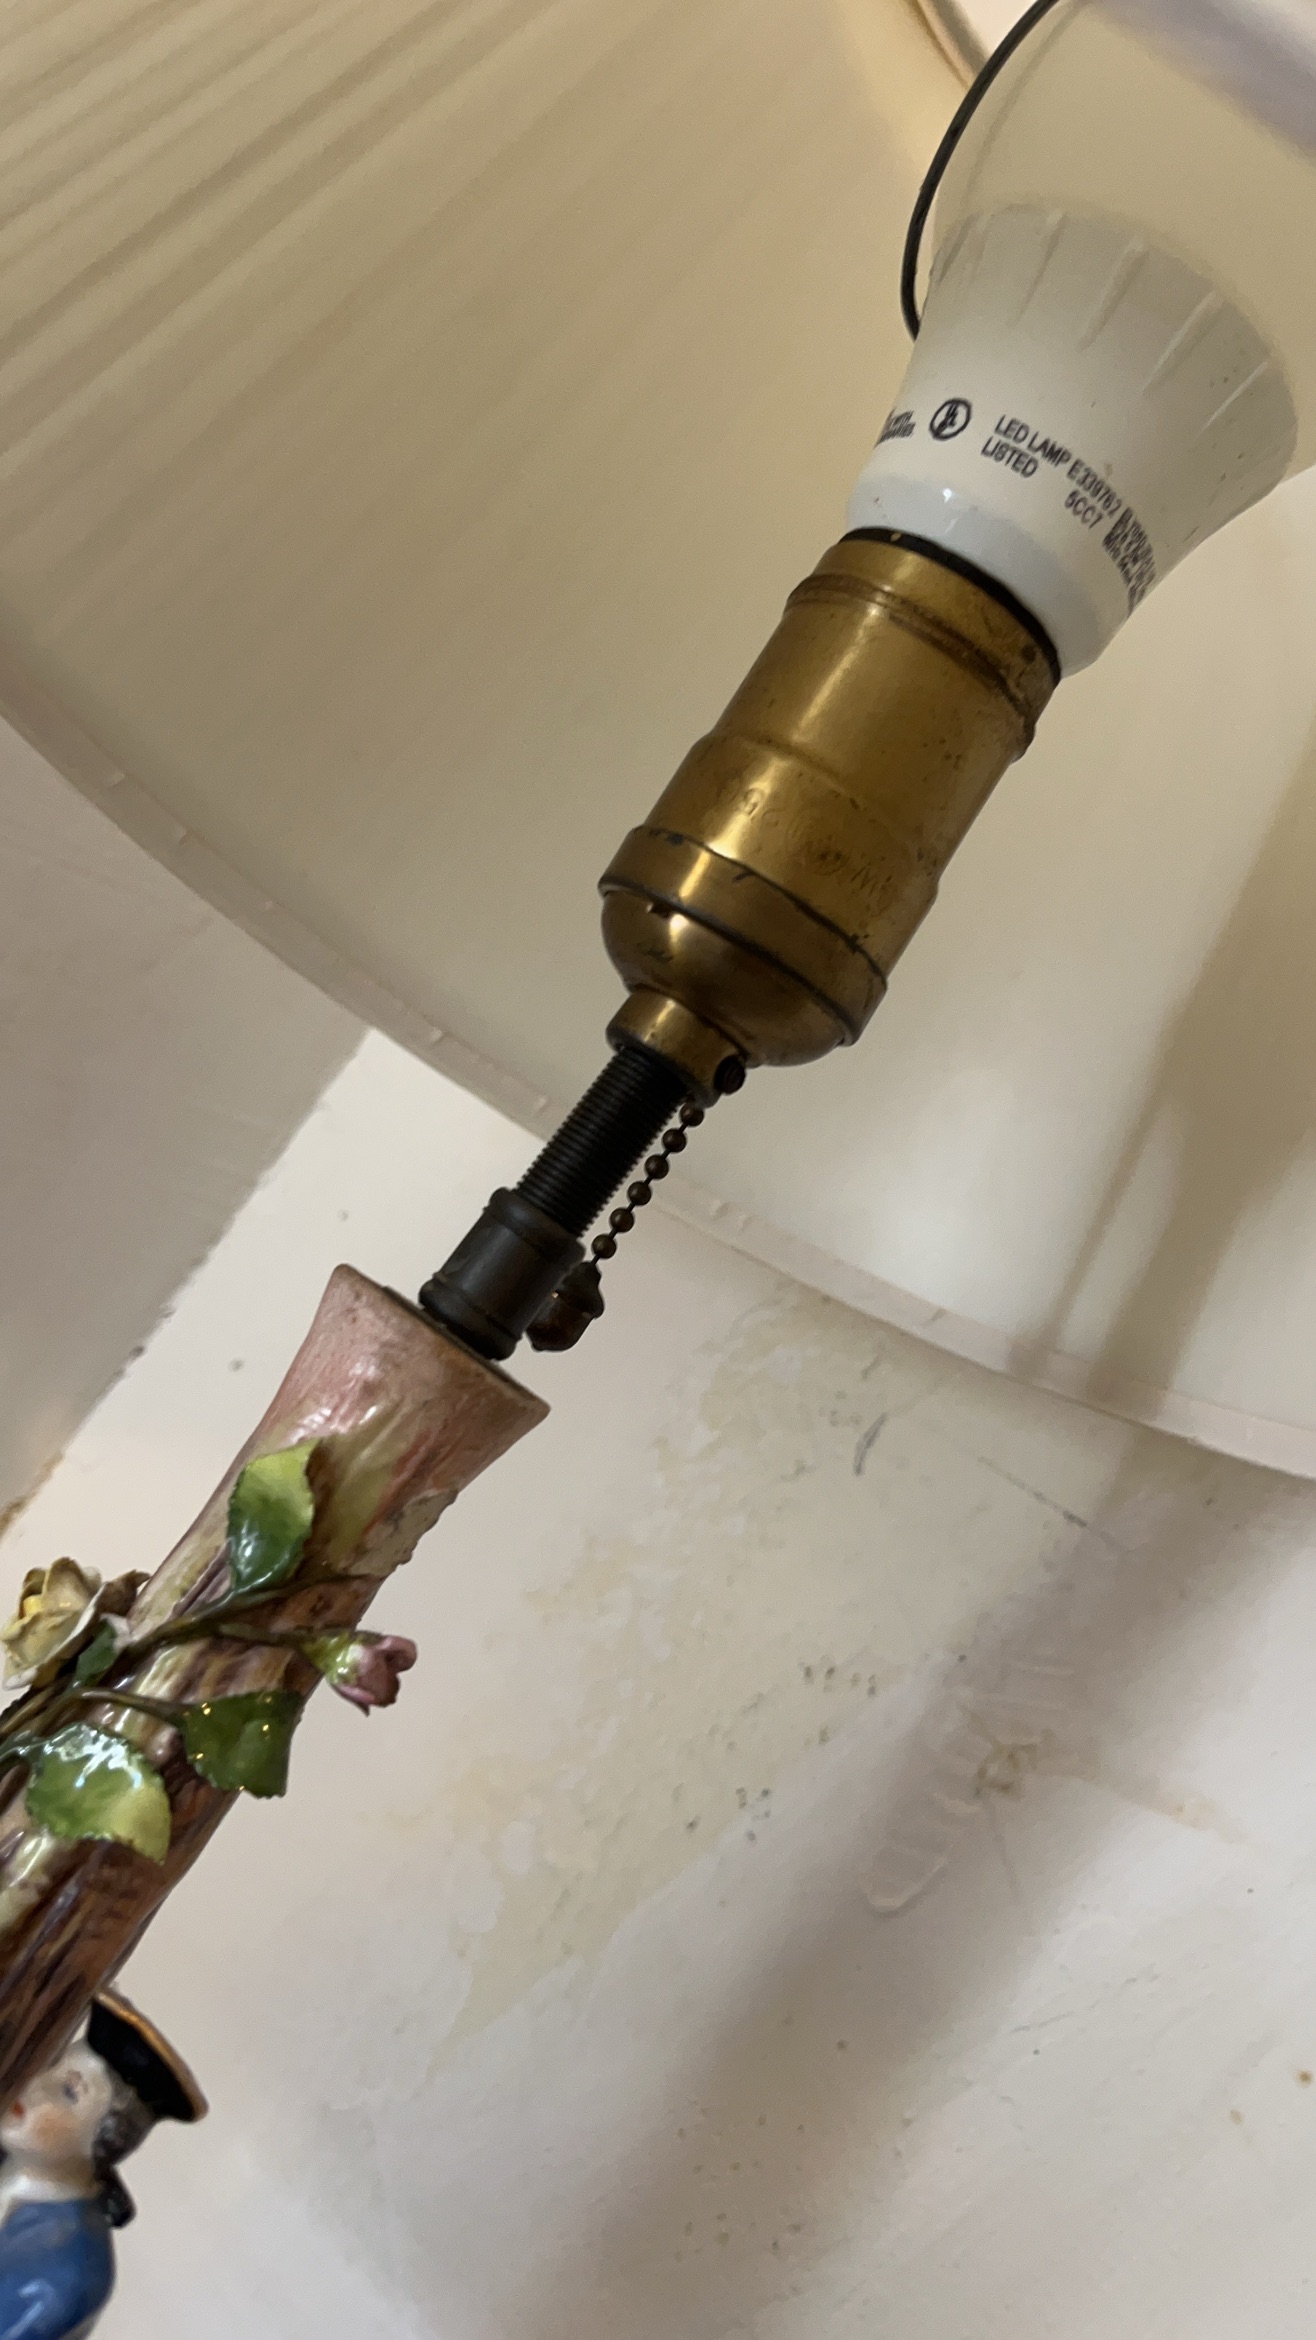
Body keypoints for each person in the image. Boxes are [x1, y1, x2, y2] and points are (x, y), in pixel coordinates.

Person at [0, 1991, 206, 2339]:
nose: (35, 2086)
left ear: (103, 2139)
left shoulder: (63, 2275)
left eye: (69, 2092)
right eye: (53, 2066)